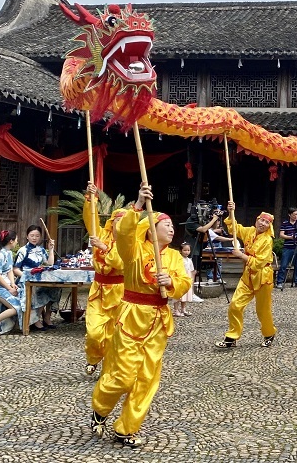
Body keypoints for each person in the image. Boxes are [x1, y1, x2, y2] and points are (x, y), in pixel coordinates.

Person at [90, 183, 192, 447]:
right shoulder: (133, 251)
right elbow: (122, 233)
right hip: (131, 316)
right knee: (123, 375)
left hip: (158, 320)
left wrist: (170, 281)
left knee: (147, 378)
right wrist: (137, 205)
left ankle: (126, 428)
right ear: (150, 229)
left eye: (172, 225)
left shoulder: (173, 257)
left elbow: (184, 283)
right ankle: (100, 408)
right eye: (165, 224)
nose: (171, 228)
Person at [215, 202, 277, 348]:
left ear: (269, 226)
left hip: (263, 277)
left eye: (266, 222)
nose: (262, 223)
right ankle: (231, 337)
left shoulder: (267, 241)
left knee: (262, 310)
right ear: (256, 220)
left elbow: (259, 263)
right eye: (261, 220)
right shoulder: (250, 231)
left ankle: (269, 333)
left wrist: (241, 255)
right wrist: (231, 212)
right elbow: (234, 229)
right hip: (247, 276)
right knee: (235, 305)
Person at [82, 183, 127, 375]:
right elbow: (90, 220)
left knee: (114, 333)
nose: (122, 225)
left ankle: (109, 367)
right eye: (119, 221)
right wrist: (91, 199)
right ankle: (93, 358)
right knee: (94, 332)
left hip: (120, 292)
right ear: (112, 221)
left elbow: (121, 264)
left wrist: (104, 248)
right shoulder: (101, 234)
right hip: (99, 290)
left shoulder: (131, 244)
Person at [14, 224, 56, 330]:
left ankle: (47, 317)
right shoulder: (23, 250)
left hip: (39, 279)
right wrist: (27, 276)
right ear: (27, 236)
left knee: (55, 288)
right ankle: (35, 320)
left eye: (37, 236)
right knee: (39, 291)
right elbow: (15, 269)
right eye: (32, 235)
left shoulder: (41, 250)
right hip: (25, 280)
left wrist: (51, 250)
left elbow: (49, 264)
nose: (34, 238)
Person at [277, 207, 297, 290]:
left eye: (296, 214)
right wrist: (290, 237)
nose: (295, 216)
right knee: (283, 265)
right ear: (289, 215)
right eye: (293, 215)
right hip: (288, 246)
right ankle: (279, 282)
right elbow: (281, 235)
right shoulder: (285, 223)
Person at [173, 242, 195, 316]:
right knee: (178, 294)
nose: (187, 252)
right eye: (185, 250)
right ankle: (176, 310)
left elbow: (192, 270)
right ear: (180, 250)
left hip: (187, 277)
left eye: (188, 250)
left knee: (185, 294)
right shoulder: (179, 259)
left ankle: (183, 309)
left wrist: (192, 279)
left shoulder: (189, 260)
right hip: (180, 277)